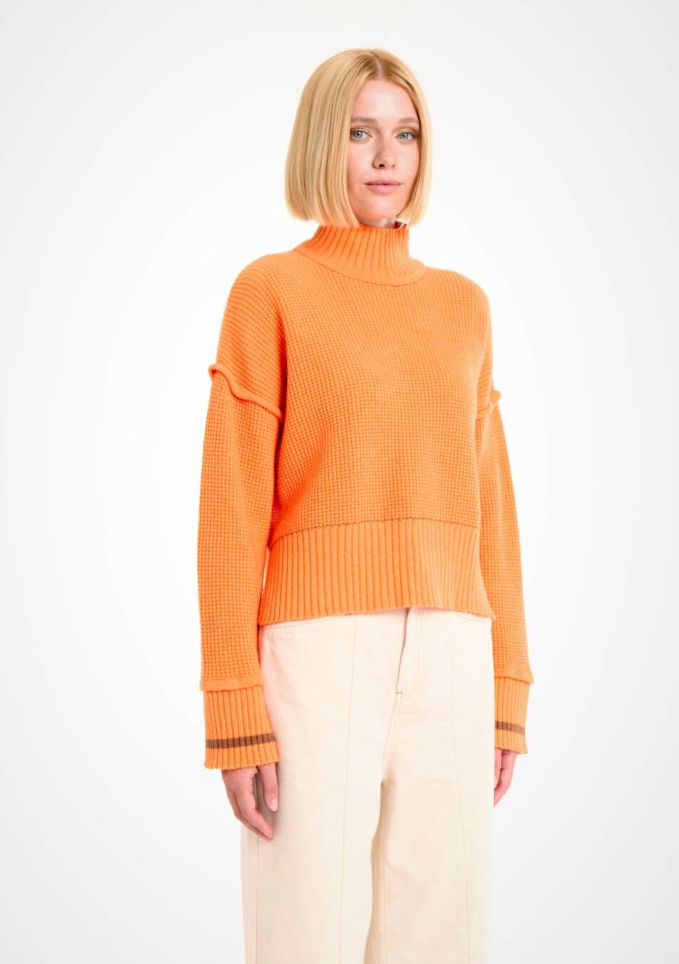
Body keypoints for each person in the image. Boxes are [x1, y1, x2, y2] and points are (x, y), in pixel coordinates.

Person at [197, 47, 535, 963]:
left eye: (406, 133)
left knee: (442, 942)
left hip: (454, 652)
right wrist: (232, 705)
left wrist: (508, 687)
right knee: (306, 936)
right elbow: (230, 511)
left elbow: (491, 504)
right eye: (360, 132)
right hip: (316, 652)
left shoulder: (464, 306)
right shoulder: (270, 291)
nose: (388, 156)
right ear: (321, 143)